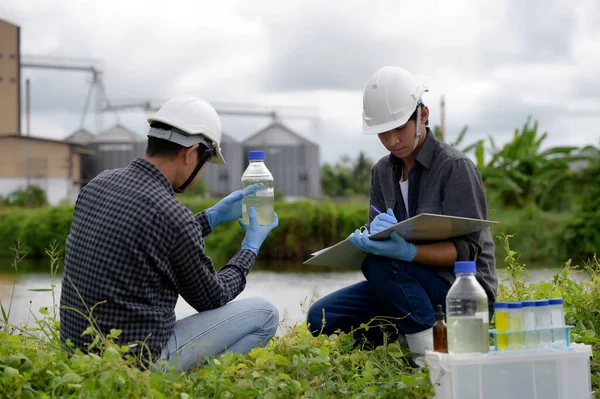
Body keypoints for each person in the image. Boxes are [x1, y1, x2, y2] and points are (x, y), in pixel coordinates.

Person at [59, 95, 280, 372]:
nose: (199, 174)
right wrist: (250, 247)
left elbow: (154, 238)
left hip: (78, 356)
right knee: (266, 314)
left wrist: (210, 218)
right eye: (204, 162)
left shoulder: (97, 185)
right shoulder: (172, 215)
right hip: (137, 364)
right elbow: (212, 297)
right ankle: (196, 384)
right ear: (190, 154)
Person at [306, 66, 497, 366]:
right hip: (403, 285)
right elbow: (379, 238)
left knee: (381, 263)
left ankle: (428, 362)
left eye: (400, 128)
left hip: (461, 294)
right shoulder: (382, 172)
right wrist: (370, 239)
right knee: (320, 317)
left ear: (423, 115)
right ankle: (398, 342)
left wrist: (408, 252)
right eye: (384, 132)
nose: (393, 140)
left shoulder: (455, 168)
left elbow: (467, 254)